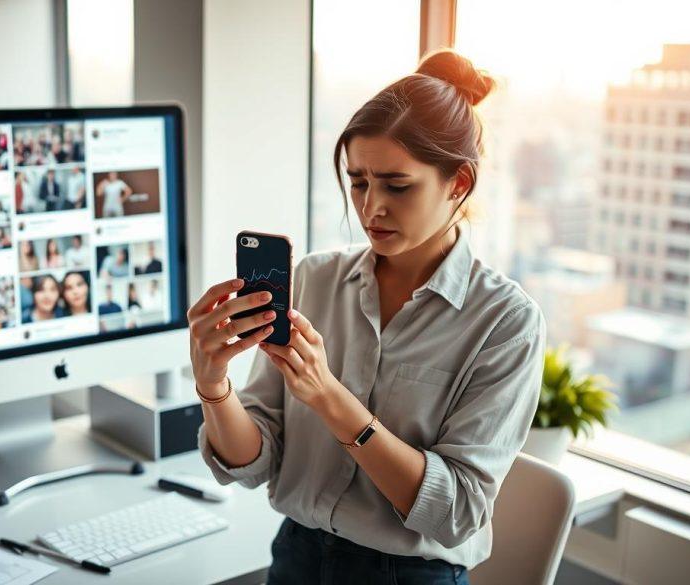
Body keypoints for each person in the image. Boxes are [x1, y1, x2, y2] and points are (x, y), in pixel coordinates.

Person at [190, 50, 545, 585]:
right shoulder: (313, 279)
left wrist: (328, 396)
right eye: (358, 182)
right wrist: (212, 384)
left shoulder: (505, 323)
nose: (370, 207)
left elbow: (458, 513)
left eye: (397, 186)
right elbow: (256, 462)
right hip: (296, 559)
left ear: (459, 184)